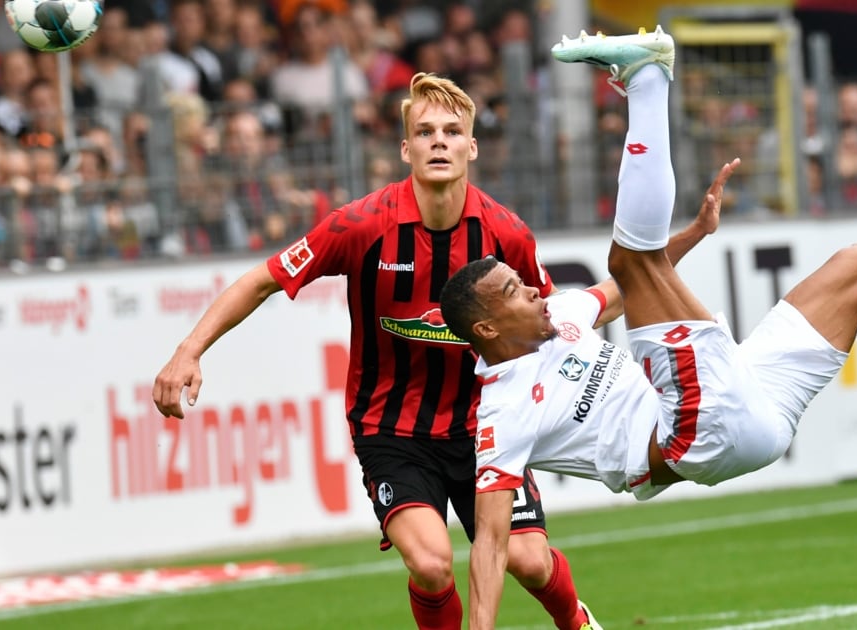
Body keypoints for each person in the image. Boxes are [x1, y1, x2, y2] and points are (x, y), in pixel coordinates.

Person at [437, 28, 857, 630]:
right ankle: (647, 81)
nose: (534, 290)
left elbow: (612, 296)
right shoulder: (502, 408)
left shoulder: (559, 319)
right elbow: (492, 542)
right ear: (489, 327)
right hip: (692, 433)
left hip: (751, 399)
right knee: (631, 259)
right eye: (515, 293)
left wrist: (693, 234)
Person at [154, 72, 602, 630]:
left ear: (472, 146)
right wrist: (188, 351)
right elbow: (263, 279)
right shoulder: (362, 225)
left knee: (529, 560)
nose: (439, 141)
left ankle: (576, 622)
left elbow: (547, 319)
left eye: (452, 131)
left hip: (484, 422)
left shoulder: (505, 233)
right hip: (392, 432)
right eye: (425, 131)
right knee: (433, 565)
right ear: (405, 147)